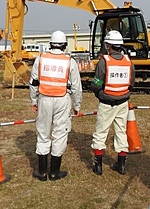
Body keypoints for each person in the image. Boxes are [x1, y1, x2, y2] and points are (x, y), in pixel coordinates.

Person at [29, 30, 82, 181]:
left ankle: (41, 172)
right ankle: (54, 172)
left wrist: (33, 101)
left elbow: (33, 82)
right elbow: (77, 87)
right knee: (60, 134)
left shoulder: (40, 59)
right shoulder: (69, 61)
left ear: (50, 44)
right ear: (65, 45)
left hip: (44, 99)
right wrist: (77, 105)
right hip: (62, 100)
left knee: (43, 133)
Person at [91, 30, 135, 175]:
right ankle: (121, 165)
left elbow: (97, 83)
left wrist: (99, 93)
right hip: (123, 103)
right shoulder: (129, 62)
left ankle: (98, 166)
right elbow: (132, 83)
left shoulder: (104, 61)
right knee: (121, 133)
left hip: (106, 103)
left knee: (100, 133)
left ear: (108, 45)